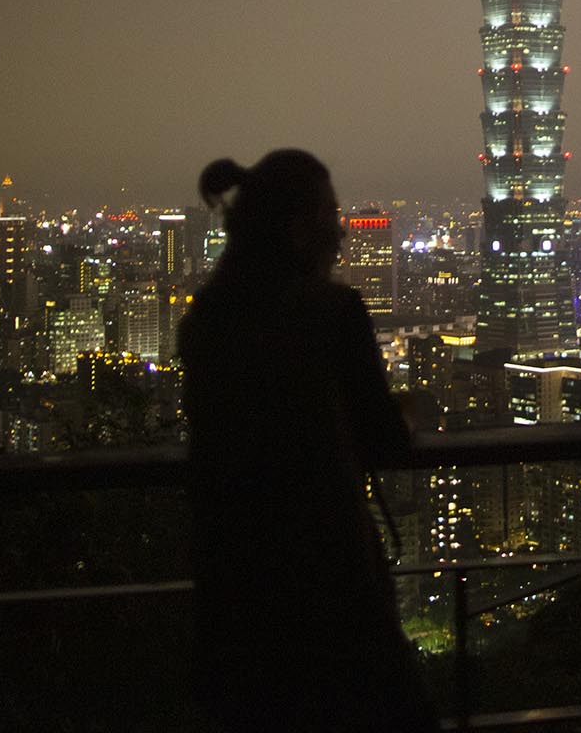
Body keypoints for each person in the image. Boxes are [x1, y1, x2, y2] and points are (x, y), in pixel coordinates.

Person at [176, 149, 437, 733]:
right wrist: (408, 414)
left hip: (234, 579)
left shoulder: (206, 318)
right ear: (298, 228)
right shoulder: (331, 311)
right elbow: (385, 440)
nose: (342, 233)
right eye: (332, 215)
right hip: (328, 575)